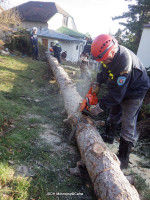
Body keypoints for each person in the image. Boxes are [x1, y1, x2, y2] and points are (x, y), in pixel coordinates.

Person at [89, 34, 150, 169]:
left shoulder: (124, 62)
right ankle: (109, 136)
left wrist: (98, 108)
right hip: (120, 88)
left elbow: (116, 95)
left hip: (135, 91)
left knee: (128, 121)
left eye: (104, 60)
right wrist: (98, 82)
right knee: (114, 111)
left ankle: (123, 158)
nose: (103, 62)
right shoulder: (107, 57)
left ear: (112, 51)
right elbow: (103, 69)